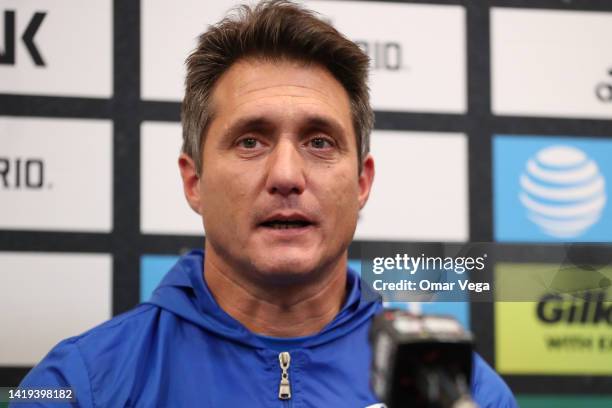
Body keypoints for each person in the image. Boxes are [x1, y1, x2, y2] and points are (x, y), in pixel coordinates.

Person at [16, 1, 517, 406]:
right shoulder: (80, 386)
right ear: (194, 181)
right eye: (250, 141)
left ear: (362, 183)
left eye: (320, 142)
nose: (285, 176)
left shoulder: (462, 393)